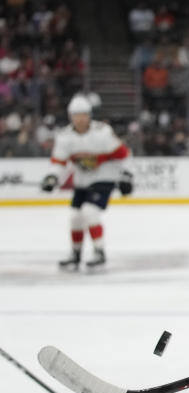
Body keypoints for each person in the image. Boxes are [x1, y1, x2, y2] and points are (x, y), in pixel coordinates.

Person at [42, 94, 134, 271]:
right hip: (82, 181)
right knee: (75, 217)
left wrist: (127, 176)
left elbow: (124, 156)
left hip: (104, 178)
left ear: (89, 115)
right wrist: (52, 178)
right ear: (71, 116)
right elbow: (58, 163)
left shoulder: (102, 133)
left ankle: (99, 252)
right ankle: (75, 254)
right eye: (76, 115)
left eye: (83, 114)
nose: (80, 118)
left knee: (90, 212)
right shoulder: (65, 137)